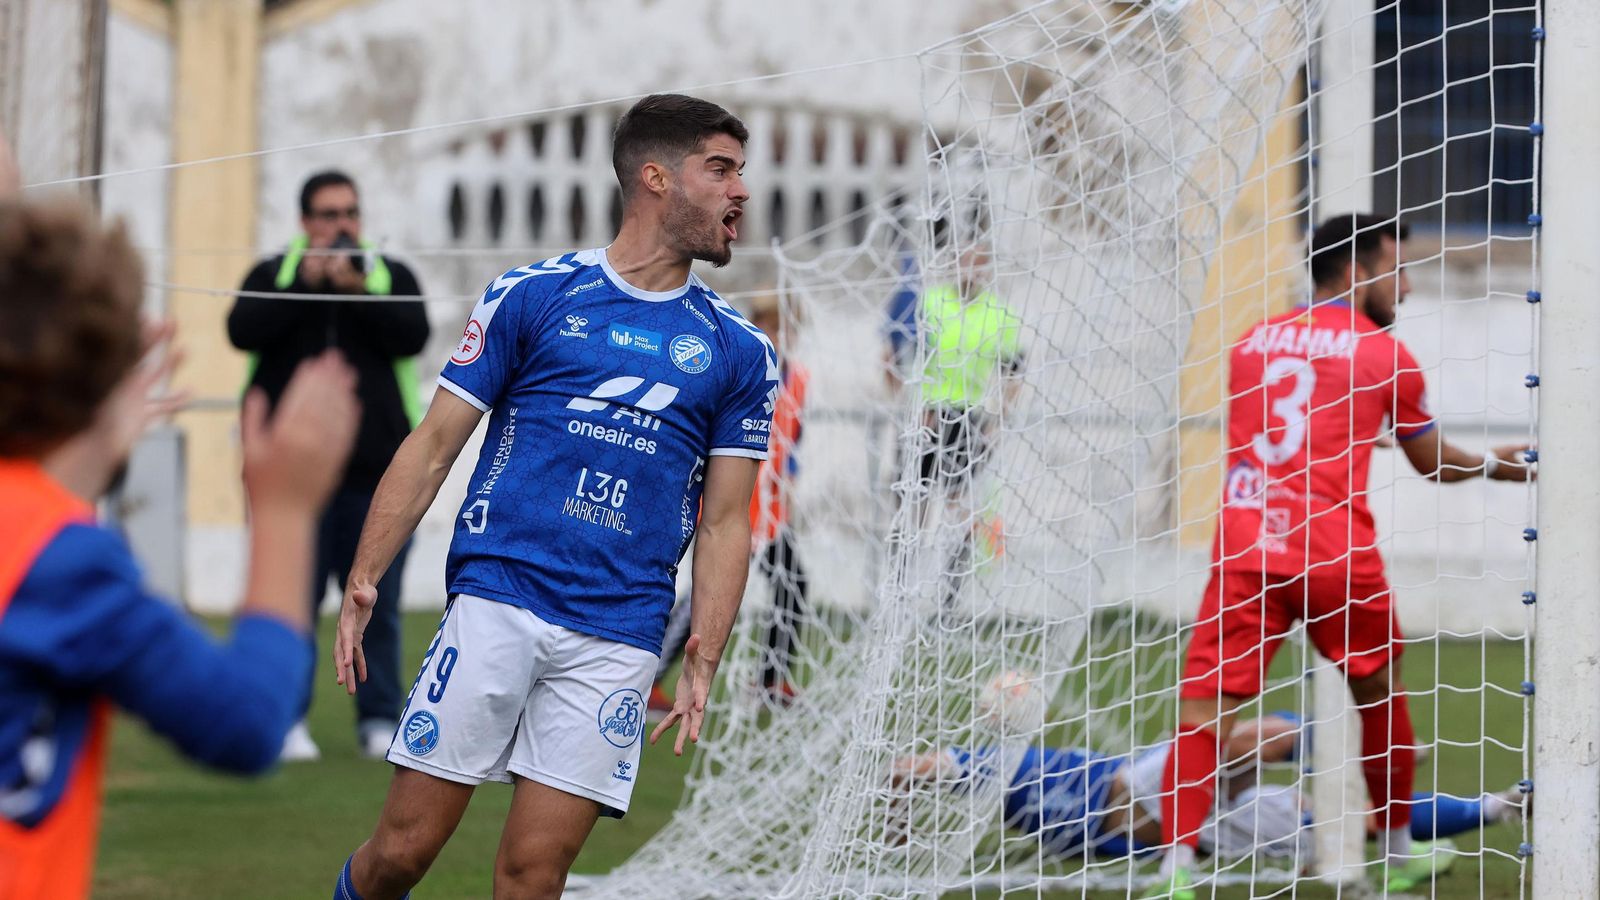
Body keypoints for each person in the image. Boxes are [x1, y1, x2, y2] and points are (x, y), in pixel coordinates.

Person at [328, 93, 775, 900]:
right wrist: (365, 574)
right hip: (498, 600)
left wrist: (705, 643)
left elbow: (725, 520)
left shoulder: (739, 349)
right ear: (656, 179)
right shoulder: (533, 295)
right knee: (401, 853)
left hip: (620, 634)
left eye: (741, 171)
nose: (741, 190)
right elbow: (433, 447)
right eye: (721, 169)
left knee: (534, 876)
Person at [1149, 215, 1535, 899]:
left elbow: (1282, 433)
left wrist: (1355, 434)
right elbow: (1432, 465)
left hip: (1246, 550)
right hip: (1334, 556)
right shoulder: (1383, 354)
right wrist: (1493, 468)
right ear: (1358, 270)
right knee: (1379, 697)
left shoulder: (1250, 342)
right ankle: (1394, 855)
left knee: (1206, 715)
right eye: (1398, 267)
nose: (1408, 285)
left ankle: (1175, 874)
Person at [0, 198, 361, 898]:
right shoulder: (68, 569)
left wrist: (93, 432)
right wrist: (284, 509)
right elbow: (247, 721)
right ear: (106, 379)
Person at [227, 171, 431, 761]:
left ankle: (378, 718)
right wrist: (306, 289)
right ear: (304, 222)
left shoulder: (388, 276)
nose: (341, 225)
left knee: (378, 603)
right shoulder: (275, 276)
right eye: (327, 214)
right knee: (292, 600)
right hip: (297, 482)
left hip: (377, 478)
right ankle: (287, 720)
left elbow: (411, 335)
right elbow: (242, 331)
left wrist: (356, 291)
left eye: (349, 213)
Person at [893, 712, 1523, 867]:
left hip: (1141, 788)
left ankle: (1370, 749)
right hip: (1149, 807)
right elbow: (918, 769)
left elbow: (918, 768)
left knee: (1250, 744)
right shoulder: (1015, 784)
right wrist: (895, 797)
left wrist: (893, 806)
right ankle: (1495, 807)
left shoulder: (1010, 769)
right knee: (1330, 824)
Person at [649, 290, 810, 714]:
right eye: (778, 325)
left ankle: (772, 680)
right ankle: (652, 677)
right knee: (704, 596)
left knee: (793, 584)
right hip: (735, 505)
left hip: (771, 508)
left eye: (792, 327)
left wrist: (787, 491)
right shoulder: (743, 370)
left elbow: (792, 443)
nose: (786, 335)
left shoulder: (798, 379)